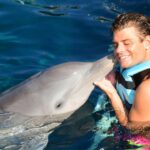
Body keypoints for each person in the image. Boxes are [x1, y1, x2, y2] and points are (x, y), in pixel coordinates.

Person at [94, 12, 150, 137]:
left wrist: (111, 92)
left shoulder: (147, 88)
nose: (118, 50)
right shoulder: (136, 59)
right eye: (116, 44)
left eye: (127, 43)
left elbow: (132, 129)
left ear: (147, 42)